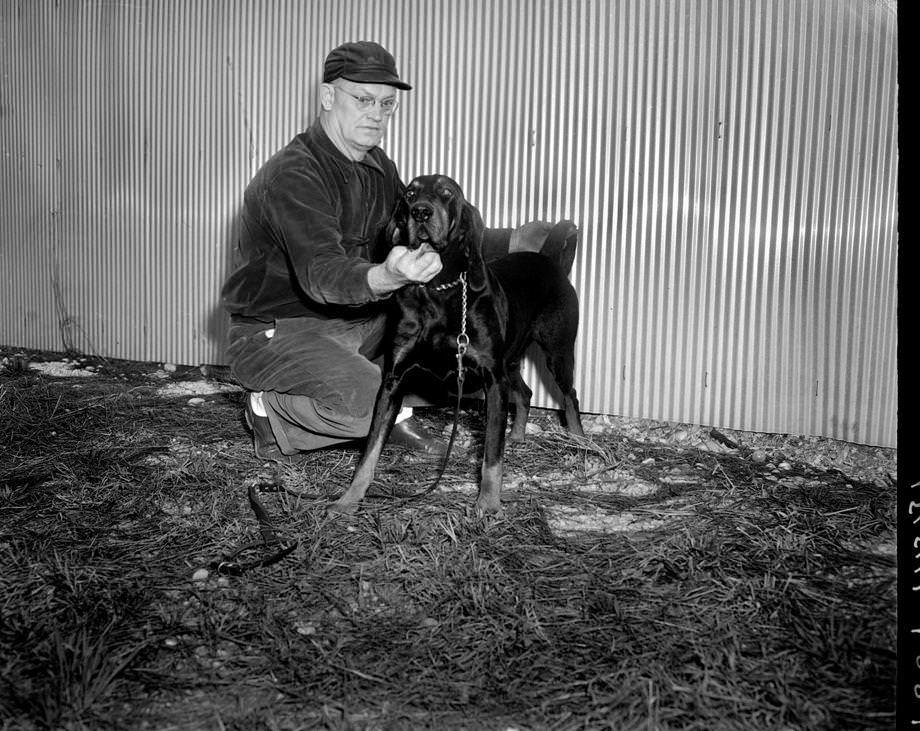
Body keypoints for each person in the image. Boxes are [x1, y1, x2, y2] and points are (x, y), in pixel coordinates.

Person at [221, 41, 572, 464]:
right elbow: (323, 273)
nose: (377, 114)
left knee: (431, 346)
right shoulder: (294, 176)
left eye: (387, 104)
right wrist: (388, 277)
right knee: (373, 408)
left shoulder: (377, 165)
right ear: (329, 97)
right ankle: (270, 411)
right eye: (364, 100)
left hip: (352, 319)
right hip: (278, 329)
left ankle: (367, 391)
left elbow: (422, 226)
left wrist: (512, 242)